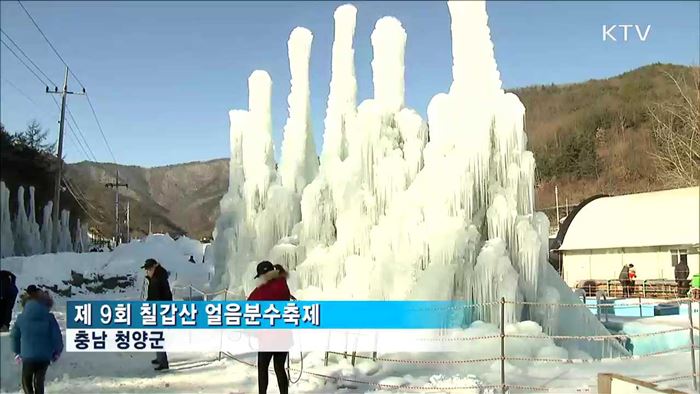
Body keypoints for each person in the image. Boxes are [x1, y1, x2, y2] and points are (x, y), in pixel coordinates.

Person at [248, 261, 292, 394]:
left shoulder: (262, 290)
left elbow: (250, 303)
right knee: (279, 368)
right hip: (284, 335)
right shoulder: (283, 284)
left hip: (268, 337)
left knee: (263, 368)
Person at [11, 285, 63, 394]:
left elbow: (14, 336)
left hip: (27, 355)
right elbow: (56, 336)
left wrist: (16, 352)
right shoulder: (49, 317)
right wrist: (57, 352)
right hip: (44, 356)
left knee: (26, 380)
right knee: (39, 380)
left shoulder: (21, 318)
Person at [142, 258, 172, 371]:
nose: (147, 271)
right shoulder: (156, 277)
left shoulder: (157, 279)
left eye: (149, 269)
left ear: (154, 267)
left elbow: (156, 297)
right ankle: (159, 358)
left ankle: (163, 362)